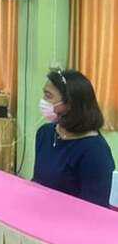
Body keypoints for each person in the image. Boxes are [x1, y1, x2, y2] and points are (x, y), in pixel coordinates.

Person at [32, 69, 115, 207]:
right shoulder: (45, 133)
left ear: (70, 104)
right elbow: (39, 182)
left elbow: (94, 209)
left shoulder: (95, 151)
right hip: (41, 211)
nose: (43, 101)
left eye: (48, 96)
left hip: (71, 218)